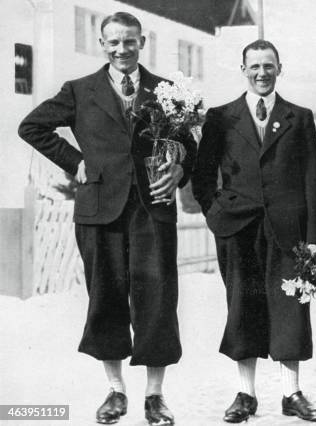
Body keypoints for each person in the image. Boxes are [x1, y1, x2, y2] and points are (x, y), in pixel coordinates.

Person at [18, 12, 196, 426]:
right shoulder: (80, 91)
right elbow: (33, 127)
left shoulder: (166, 90)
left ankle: (155, 396)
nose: (121, 49)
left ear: (142, 42)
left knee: (157, 299)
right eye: (113, 42)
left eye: (129, 42)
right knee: (107, 297)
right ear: (102, 44)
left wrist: (179, 169)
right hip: (99, 210)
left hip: (153, 207)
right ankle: (115, 392)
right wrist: (75, 162)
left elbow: (188, 145)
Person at [191, 40, 316, 423]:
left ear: (279, 68)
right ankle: (245, 395)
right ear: (243, 69)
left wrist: (315, 238)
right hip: (238, 229)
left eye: (269, 66)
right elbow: (203, 176)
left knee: (292, 309)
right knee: (242, 306)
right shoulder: (221, 117)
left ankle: (291, 394)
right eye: (254, 66)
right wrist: (216, 213)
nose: (262, 73)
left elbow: (314, 181)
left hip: (290, 232)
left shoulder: (299, 117)